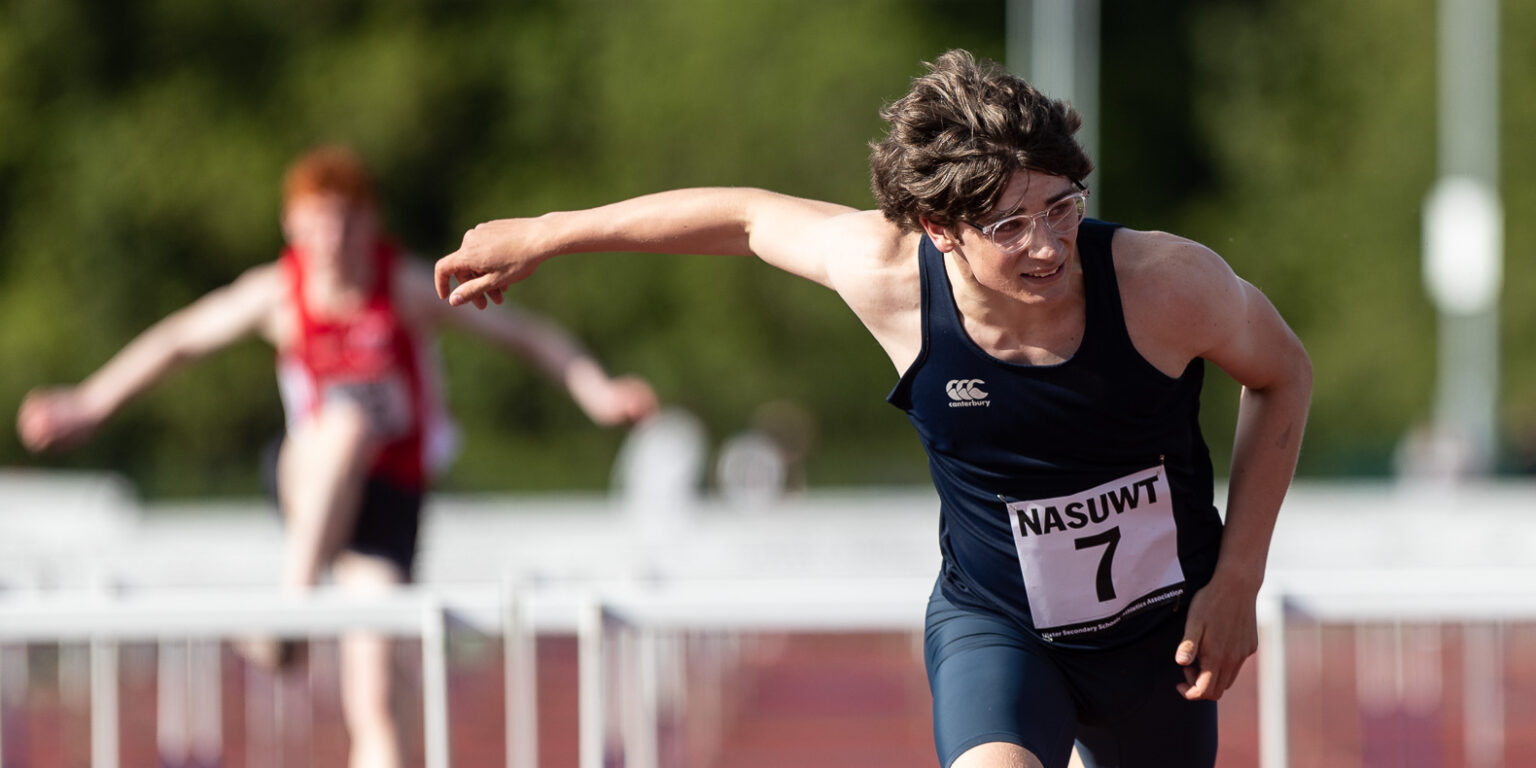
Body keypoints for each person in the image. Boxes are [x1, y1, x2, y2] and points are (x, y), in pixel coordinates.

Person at [434, 49, 1312, 768]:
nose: (1046, 245)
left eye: (1061, 208)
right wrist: (547, 231)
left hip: (1157, 643)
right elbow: (743, 217)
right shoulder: (892, 277)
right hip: (1000, 629)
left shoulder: (1165, 285)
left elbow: (1284, 374)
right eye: (1007, 227)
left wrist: (1239, 578)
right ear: (940, 231)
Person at [16, 145, 658, 768]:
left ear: (369, 224)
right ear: (291, 226)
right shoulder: (276, 294)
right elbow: (180, 340)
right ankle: (288, 620)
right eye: (317, 222)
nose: (332, 239)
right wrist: (89, 403)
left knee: (379, 692)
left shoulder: (405, 286)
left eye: (346, 221)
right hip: (308, 477)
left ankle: (296, 640)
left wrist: (596, 390)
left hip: (386, 503)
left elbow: (523, 334)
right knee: (347, 422)